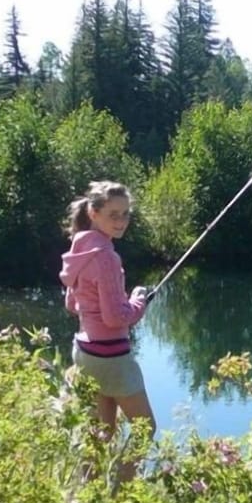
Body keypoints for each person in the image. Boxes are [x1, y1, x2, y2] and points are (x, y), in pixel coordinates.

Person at [60, 180, 155, 482]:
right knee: (145, 429)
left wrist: (117, 303)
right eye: (113, 214)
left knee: (101, 434)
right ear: (94, 212)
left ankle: (88, 498)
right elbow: (116, 318)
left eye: (125, 214)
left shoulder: (80, 247)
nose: (121, 221)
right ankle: (120, 495)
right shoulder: (106, 257)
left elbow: (72, 304)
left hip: (85, 353)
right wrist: (139, 301)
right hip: (112, 358)